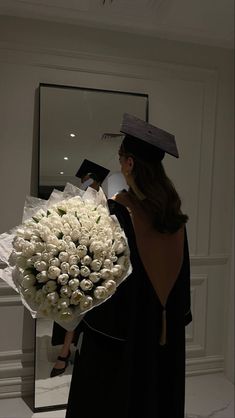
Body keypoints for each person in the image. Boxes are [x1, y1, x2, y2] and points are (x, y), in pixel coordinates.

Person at [65, 113, 192, 417]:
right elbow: (180, 286)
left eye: (121, 157)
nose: (120, 162)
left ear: (130, 163)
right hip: (163, 339)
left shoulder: (117, 213)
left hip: (121, 342)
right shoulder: (174, 217)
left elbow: (100, 284)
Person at [50, 160, 110, 377]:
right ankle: (67, 350)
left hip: (95, 261)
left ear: (94, 178)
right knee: (73, 306)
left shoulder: (103, 199)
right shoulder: (83, 198)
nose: (83, 182)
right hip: (76, 258)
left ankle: (66, 353)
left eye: (86, 178)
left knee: (82, 306)